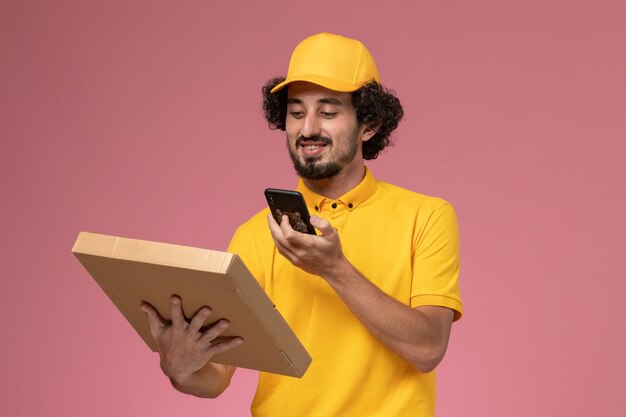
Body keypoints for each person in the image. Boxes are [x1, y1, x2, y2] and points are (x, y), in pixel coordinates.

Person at [141, 32, 463, 417]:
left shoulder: (426, 217)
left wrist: (334, 269)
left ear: (370, 124)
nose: (308, 129)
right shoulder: (255, 235)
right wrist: (180, 368)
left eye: (328, 112)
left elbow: (427, 349)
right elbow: (217, 375)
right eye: (296, 112)